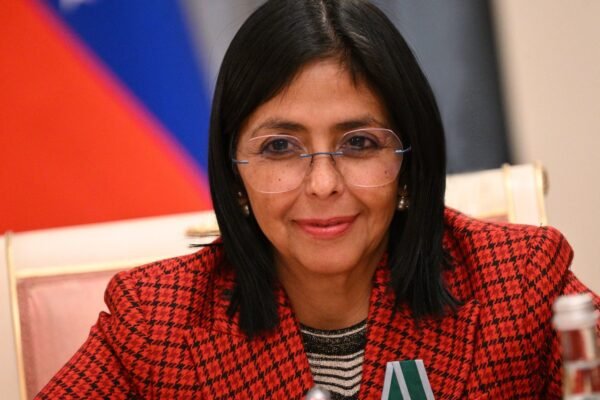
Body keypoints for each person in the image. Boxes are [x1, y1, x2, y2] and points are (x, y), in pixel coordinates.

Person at [37, 1, 599, 399]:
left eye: (359, 143)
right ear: (233, 172)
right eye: (280, 147)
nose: (324, 184)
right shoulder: (158, 322)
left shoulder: (517, 283)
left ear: (408, 161)